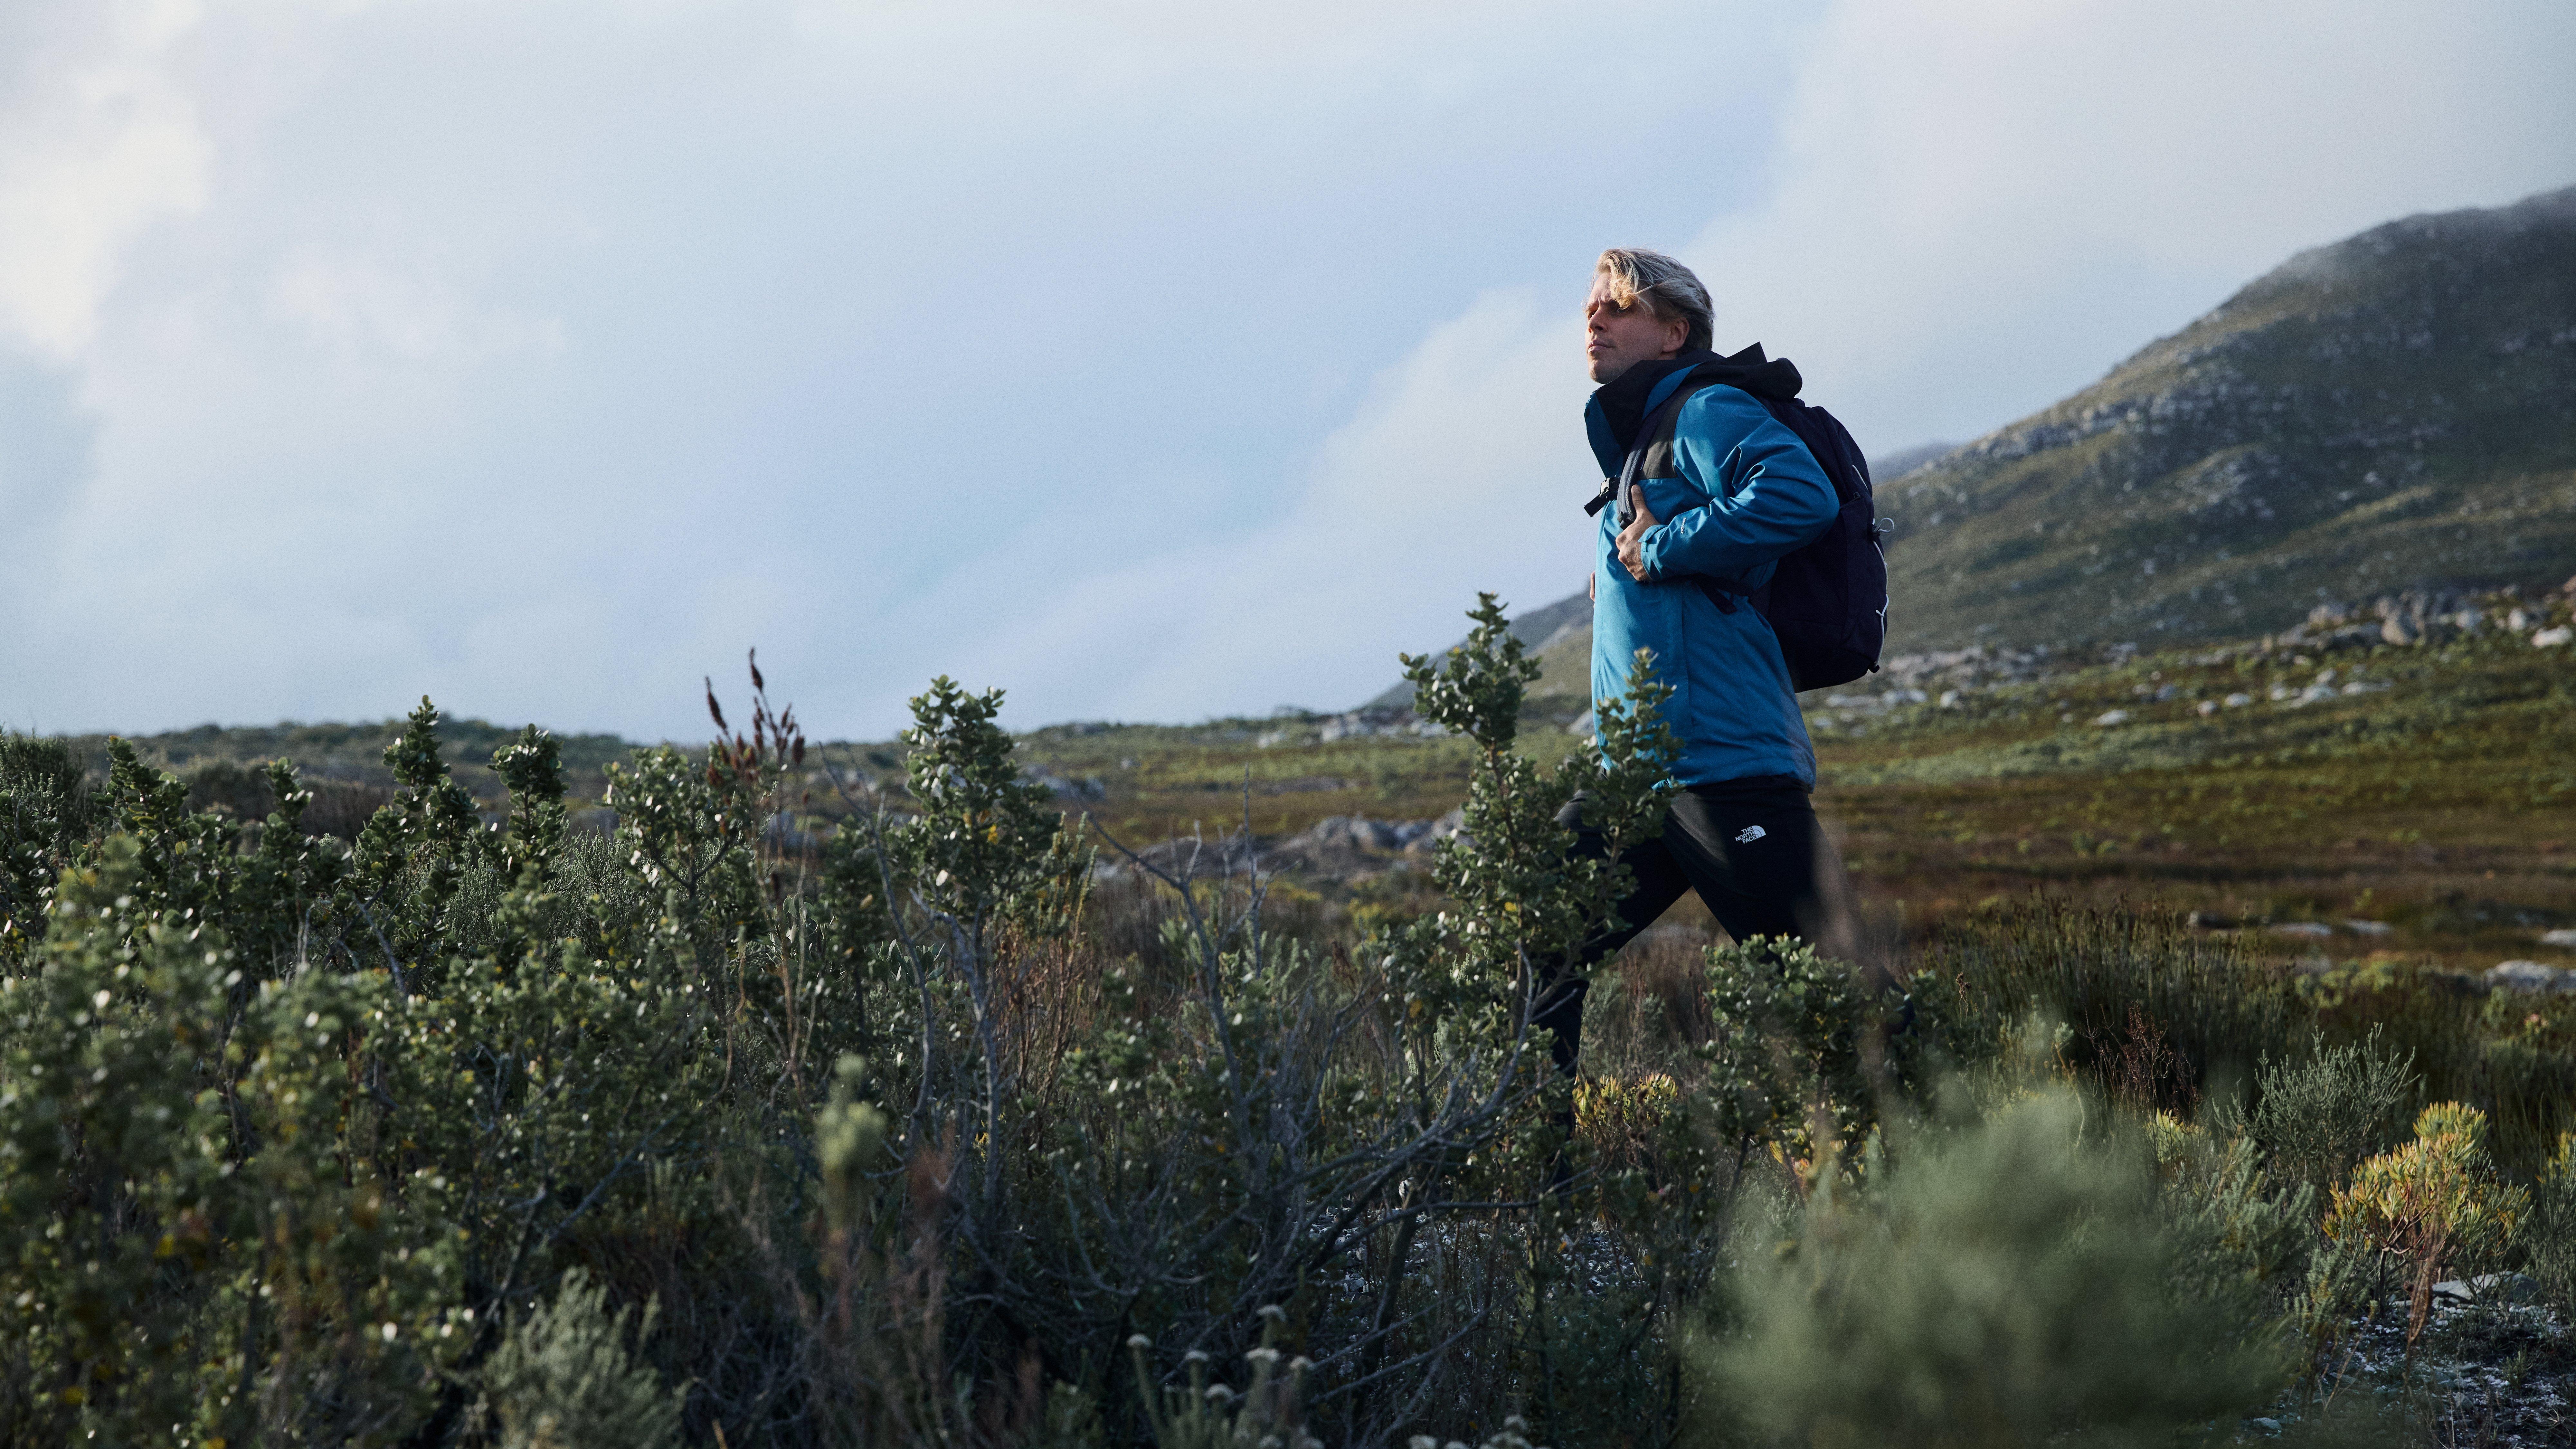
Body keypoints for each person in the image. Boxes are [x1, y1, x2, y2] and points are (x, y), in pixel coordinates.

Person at [1537, 246, 1863, 1081]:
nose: (1594, 318)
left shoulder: (1706, 406)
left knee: (1833, 990)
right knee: (1537, 950)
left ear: (1675, 332)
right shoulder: (1645, 438)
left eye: (1619, 305)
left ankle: (1970, 1177)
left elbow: (1801, 494)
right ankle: (1544, 1187)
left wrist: (1667, 545)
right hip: (1636, 774)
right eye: (1591, 305)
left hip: (1722, 764)